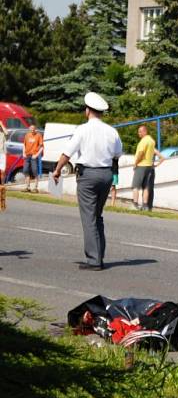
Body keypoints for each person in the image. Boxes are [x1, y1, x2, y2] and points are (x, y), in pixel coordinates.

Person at [53, 92, 123, 271]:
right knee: (97, 216)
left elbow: (67, 153)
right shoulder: (112, 131)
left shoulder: (82, 129)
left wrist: (57, 170)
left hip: (88, 176)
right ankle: (99, 255)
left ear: (87, 111)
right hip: (106, 175)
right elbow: (117, 154)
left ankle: (94, 260)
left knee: (89, 218)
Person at [131, 125, 164, 211]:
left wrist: (136, 163)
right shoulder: (152, 141)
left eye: (140, 132)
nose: (139, 134)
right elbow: (156, 154)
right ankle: (145, 205)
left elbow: (141, 153)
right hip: (149, 166)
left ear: (144, 131)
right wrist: (155, 165)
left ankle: (135, 204)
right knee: (146, 187)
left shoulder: (143, 141)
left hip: (141, 165)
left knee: (136, 186)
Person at [22, 125, 43, 193]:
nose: (32, 130)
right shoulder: (27, 135)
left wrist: (36, 155)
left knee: (35, 171)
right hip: (27, 155)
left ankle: (35, 187)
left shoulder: (38, 135)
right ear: (29, 129)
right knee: (25, 170)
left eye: (33, 129)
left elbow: (42, 147)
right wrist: (23, 153)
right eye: (31, 129)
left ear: (35, 129)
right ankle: (27, 187)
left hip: (34, 155)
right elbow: (24, 145)